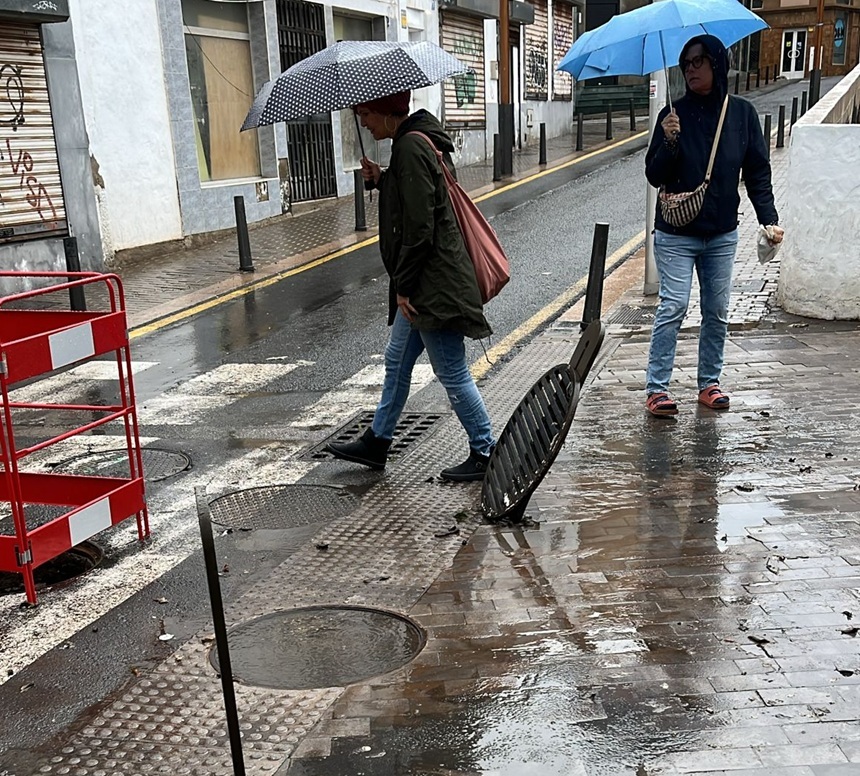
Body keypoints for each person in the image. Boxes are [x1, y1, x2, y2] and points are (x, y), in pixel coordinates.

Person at [325, 90, 496, 481]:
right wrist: (382, 179)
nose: (364, 123)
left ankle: (485, 450)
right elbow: (422, 199)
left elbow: (420, 228)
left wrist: (403, 286)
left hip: (431, 287)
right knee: (397, 361)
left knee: (451, 371)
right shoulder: (415, 143)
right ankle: (377, 442)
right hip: (425, 282)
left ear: (387, 113)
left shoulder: (410, 149)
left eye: (366, 113)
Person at [644, 35, 784, 418]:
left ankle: (709, 383)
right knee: (673, 306)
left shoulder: (741, 114)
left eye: (698, 61)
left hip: (721, 233)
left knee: (717, 310)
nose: (690, 69)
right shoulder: (673, 116)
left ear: (717, 64)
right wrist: (669, 142)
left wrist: (768, 217)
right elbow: (654, 175)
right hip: (675, 234)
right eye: (685, 63)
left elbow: (757, 171)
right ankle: (657, 389)